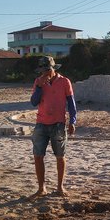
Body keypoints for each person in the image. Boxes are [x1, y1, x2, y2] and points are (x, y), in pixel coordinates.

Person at [30, 56, 77, 197]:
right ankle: (41, 188)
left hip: (58, 124)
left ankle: (60, 187)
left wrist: (72, 121)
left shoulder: (64, 82)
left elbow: (71, 103)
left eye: (47, 70)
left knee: (60, 156)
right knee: (38, 156)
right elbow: (34, 102)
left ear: (53, 69)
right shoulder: (38, 82)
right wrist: (39, 87)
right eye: (42, 71)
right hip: (41, 124)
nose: (45, 73)